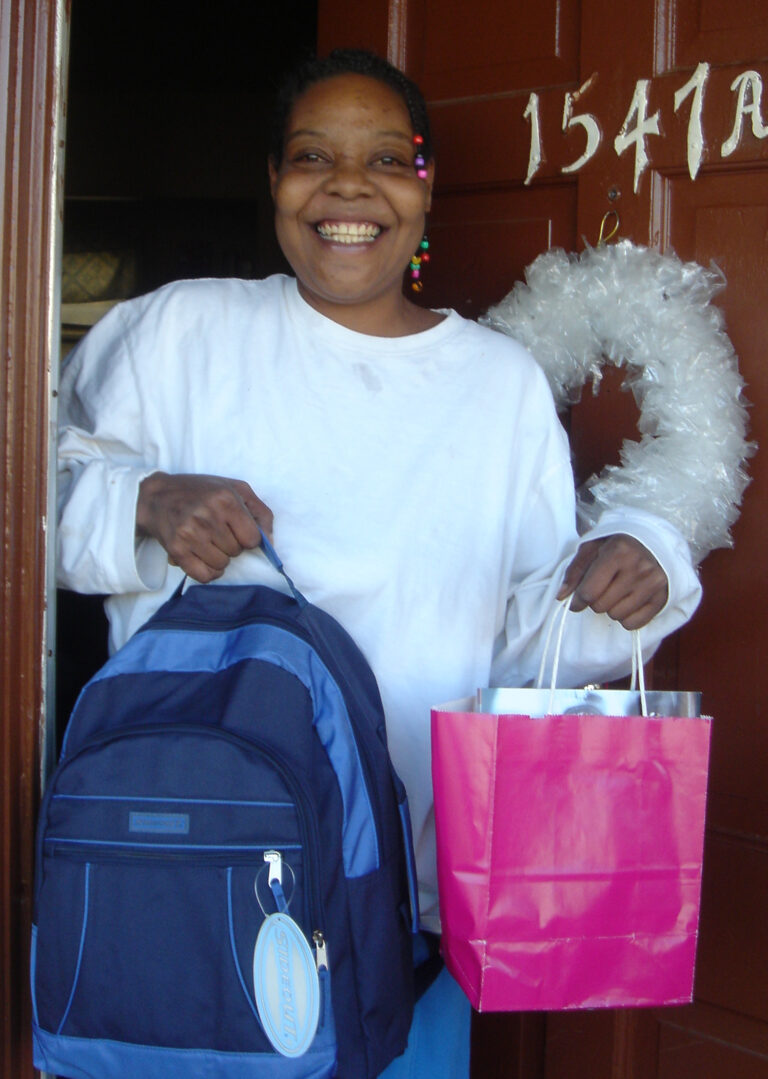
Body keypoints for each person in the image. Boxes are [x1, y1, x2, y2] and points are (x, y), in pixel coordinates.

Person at [56, 48, 701, 1079]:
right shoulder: (181, 331)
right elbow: (28, 499)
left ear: (425, 183)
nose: (349, 186)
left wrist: (645, 568)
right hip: (187, 886)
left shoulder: (496, 386)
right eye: (313, 156)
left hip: (408, 903)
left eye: (387, 159)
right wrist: (142, 497)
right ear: (273, 179)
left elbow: (526, 639)